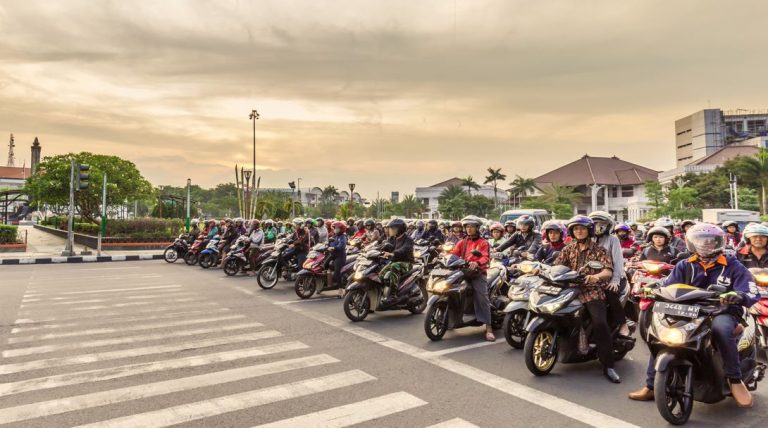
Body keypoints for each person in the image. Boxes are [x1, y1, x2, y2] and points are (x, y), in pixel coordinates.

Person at [629, 223, 758, 407]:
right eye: (701, 241)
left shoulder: (733, 265)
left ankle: (735, 379)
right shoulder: (685, 264)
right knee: (661, 336)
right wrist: (650, 288)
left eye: (710, 241)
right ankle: (651, 385)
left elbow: (750, 290)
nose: (705, 245)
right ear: (692, 243)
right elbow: (667, 283)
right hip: (687, 311)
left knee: (721, 330)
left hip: (721, 312)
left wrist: (738, 295)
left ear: (719, 243)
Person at [555, 215, 621, 383]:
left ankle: (608, 365)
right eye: (576, 229)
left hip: (592, 291)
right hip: (570, 289)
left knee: (600, 323)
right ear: (572, 232)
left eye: (582, 229)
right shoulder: (568, 249)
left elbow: (608, 271)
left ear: (589, 231)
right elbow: (556, 266)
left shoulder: (599, 250)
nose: (579, 231)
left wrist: (596, 277)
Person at [450, 215, 495, 342]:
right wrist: (444, 257)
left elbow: (485, 257)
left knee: (482, 297)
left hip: (478, 273)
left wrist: (477, 262)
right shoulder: (462, 242)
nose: (469, 229)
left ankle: (489, 328)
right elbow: (453, 254)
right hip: (463, 271)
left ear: (477, 228)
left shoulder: (483, 242)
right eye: (467, 227)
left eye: (472, 226)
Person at [589, 211, 630, 338]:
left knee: (610, 292)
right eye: (595, 223)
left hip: (614, 276)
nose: (598, 226)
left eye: (601, 223)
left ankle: (623, 323)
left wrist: (615, 281)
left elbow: (618, 262)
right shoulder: (588, 239)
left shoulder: (613, 239)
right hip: (594, 277)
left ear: (608, 225)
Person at [380, 219, 415, 301]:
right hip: (395, 261)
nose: (390, 230)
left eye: (393, 228)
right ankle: (383, 292)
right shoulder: (392, 238)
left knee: (394, 266)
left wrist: (393, 253)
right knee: (380, 274)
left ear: (400, 229)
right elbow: (384, 245)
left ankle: (393, 295)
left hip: (406, 263)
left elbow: (404, 249)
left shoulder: (408, 239)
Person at [329, 221, 348, 296]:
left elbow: (341, 246)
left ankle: (341, 289)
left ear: (341, 229)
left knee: (337, 273)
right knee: (323, 266)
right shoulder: (334, 236)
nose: (335, 230)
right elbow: (330, 243)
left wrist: (334, 248)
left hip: (340, 256)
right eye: (334, 228)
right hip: (333, 255)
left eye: (337, 228)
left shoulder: (343, 237)